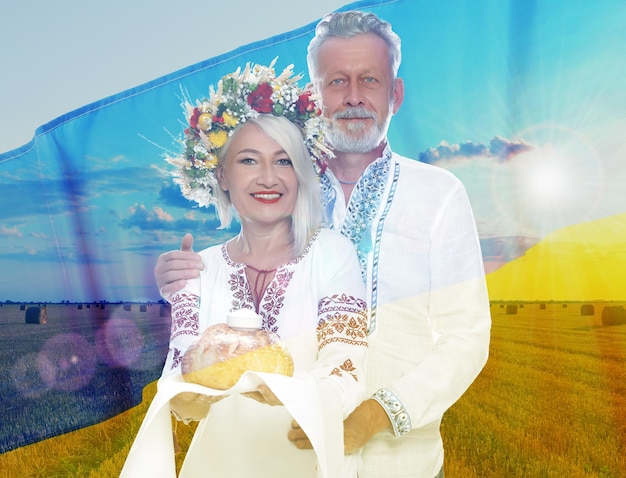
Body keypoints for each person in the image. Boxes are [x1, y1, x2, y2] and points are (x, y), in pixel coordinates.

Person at [154, 11, 491, 478]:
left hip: (401, 461)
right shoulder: (280, 187)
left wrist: (377, 413)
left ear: (394, 94)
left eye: (369, 80)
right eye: (336, 81)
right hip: (279, 455)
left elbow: (467, 336)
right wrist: (180, 283)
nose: (353, 97)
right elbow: (233, 284)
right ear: (313, 97)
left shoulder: (438, 194)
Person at [124, 62, 368, 478]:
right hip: (218, 466)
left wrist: (276, 388)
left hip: (308, 463)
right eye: (249, 160)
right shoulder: (203, 268)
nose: (268, 178)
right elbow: (183, 400)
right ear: (221, 174)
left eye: (284, 161)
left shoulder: (333, 254)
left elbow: (348, 367)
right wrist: (181, 299)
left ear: (302, 172)